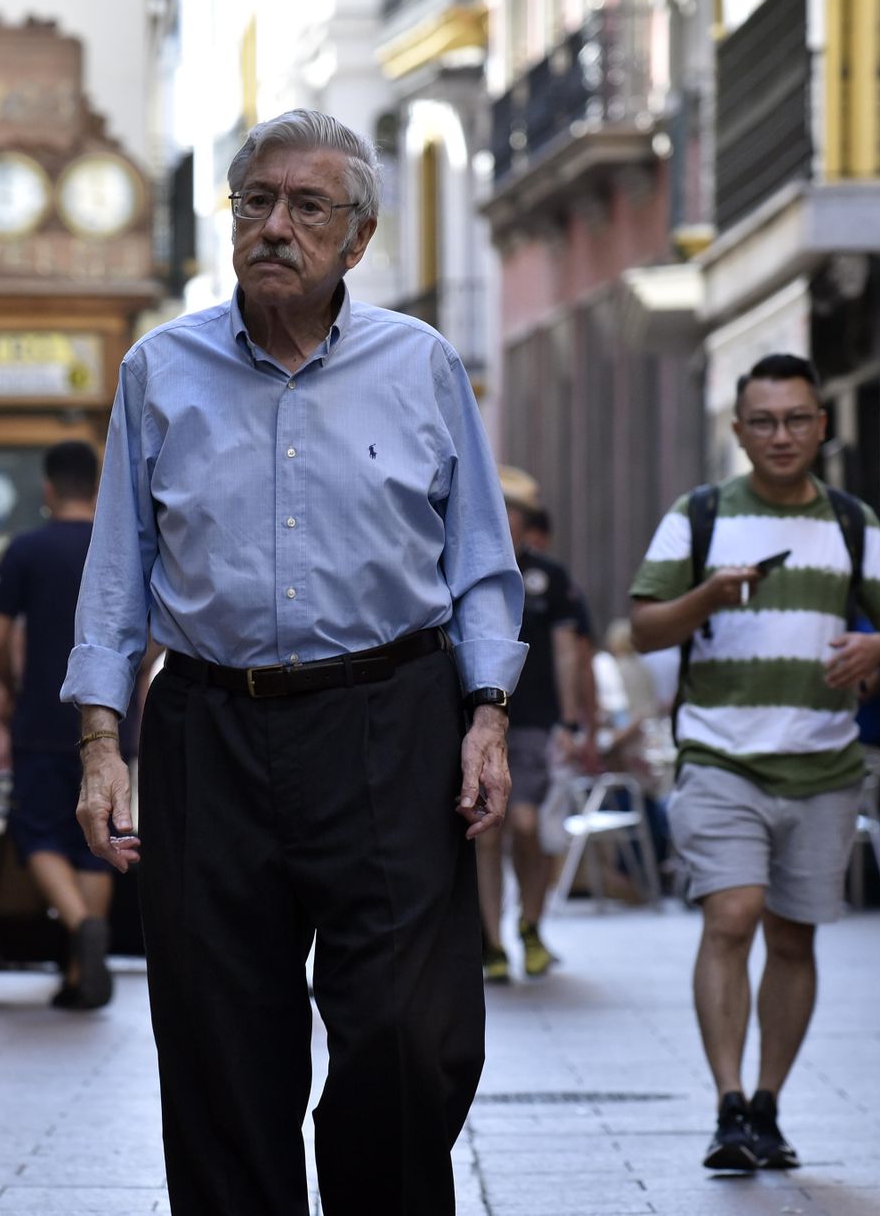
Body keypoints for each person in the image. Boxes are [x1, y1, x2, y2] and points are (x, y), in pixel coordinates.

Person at [61, 108, 525, 1215]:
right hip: (208, 728)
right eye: (256, 201)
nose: (274, 226)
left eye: (307, 206)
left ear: (357, 239)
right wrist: (100, 745)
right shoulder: (158, 370)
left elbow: (478, 562)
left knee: (411, 1036)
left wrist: (487, 715)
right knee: (219, 1049)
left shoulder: (421, 365)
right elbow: (118, 574)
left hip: (390, 719)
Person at [629, 353, 880, 1172]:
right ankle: (728, 1107)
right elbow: (646, 627)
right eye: (763, 422)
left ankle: (766, 1105)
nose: (782, 435)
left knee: (793, 939)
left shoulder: (852, 522)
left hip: (824, 766)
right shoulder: (699, 516)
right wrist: (707, 596)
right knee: (732, 915)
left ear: (821, 426)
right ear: (739, 431)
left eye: (797, 419)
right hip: (721, 756)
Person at [0, 440, 117, 1009]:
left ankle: (82, 928)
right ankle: (81, 971)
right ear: (98, 485)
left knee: (37, 832)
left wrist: (11, 687)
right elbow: (157, 632)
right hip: (109, 722)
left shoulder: (25, 550)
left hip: (41, 717)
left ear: (48, 488)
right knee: (98, 839)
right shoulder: (115, 549)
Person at [479, 468, 593, 981]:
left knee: (525, 825)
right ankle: (491, 942)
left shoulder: (550, 577)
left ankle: (530, 923)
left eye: (513, 511)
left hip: (534, 722)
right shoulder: (466, 569)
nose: (504, 519)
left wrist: (570, 721)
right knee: (485, 834)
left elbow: (570, 653)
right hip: (475, 718)